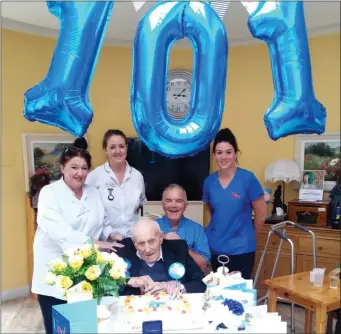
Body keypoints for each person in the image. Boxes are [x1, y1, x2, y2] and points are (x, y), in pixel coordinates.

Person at [32, 138, 118, 334]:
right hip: (55, 274)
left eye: (84, 168)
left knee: (84, 327)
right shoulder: (50, 193)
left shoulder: (93, 192)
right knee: (60, 328)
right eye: (74, 167)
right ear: (62, 168)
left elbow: (102, 220)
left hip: (86, 273)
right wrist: (93, 243)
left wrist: (112, 233)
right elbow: (60, 233)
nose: (80, 173)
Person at [203, 128, 267, 279]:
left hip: (242, 249)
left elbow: (262, 214)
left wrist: (249, 236)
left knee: (239, 294)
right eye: (219, 152)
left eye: (228, 152)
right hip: (215, 247)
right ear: (214, 155)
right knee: (218, 292)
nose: (223, 157)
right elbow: (213, 211)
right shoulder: (209, 182)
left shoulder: (248, 179)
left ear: (235, 153)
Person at [116, 218, 206, 296]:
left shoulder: (178, 249)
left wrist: (174, 287)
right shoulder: (123, 250)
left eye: (151, 241)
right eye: (141, 243)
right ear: (134, 243)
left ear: (161, 238)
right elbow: (104, 285)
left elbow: (201, 283)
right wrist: (126, 280)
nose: (147, 249)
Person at [86, 129, 147, 240]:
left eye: (121, 146)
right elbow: (90, 213)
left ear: (127, 147)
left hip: (133, 241)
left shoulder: (137, 176)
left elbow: (140, 207)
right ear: (105, 149)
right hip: (104, 243)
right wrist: (109, 233)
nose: (118, 151)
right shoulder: (94, 177)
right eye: (112, 147)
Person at [156, 184, 210, 271]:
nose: (173, 205)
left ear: (185, 205)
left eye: (179, 201)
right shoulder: (152, 227)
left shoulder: (196, 229)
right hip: (159, 278)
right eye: (169, 201)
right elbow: (141, 257)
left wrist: (182, 247)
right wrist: (161, 240)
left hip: (188, 279)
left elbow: (203, 264)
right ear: (162, 204)